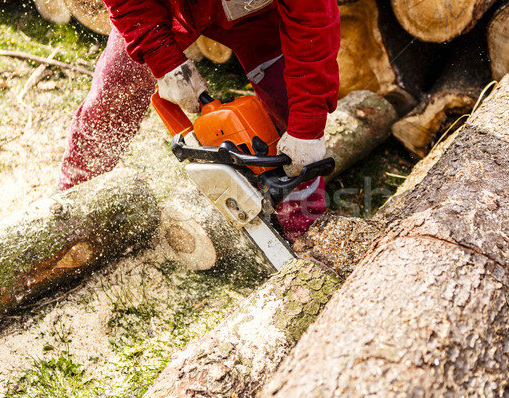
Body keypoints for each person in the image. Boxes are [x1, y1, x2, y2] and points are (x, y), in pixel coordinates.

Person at [57, 0, 340, 241]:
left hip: (261, 12)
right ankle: (72, 203)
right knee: (118, 83)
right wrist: (161, 56)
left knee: (292, 110)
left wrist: (307, 125)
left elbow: (313, 23)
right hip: (169, 9)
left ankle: (304, 228)